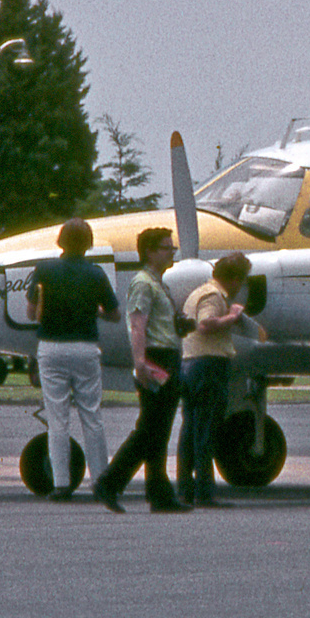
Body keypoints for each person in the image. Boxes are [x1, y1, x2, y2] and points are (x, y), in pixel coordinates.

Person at [94, 228, 190, 514]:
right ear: (149, 251)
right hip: (156, 358)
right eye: (165, 248)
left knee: (158, 431)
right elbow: (138, 324)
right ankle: (109, 482)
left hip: (166, 355)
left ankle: (158, 493)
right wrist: (140, 362)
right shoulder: (143, 283)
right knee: (149, 430)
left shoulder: (158, 284)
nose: (171, 252)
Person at [26, 218, 121, 502]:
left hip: (51, 346)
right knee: (92, 416)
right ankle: (101, 480)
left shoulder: (43, 270)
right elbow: (114, 314)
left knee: (58, 419)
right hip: (85, 346)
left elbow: (32, 314)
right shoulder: (95, 274)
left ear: (61, 241)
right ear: (89, 243)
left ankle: (62, 483)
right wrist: (97, 313)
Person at [177, 252, 262, 507]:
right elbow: (205, 324)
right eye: (242, 281)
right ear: (234, 280)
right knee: (206, 429)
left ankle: (185, 488)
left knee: (191, 428)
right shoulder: (214, 296)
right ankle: (204, 491)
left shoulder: (198, 292)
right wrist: (233, 317)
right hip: (209, 366)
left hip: (191, 363)